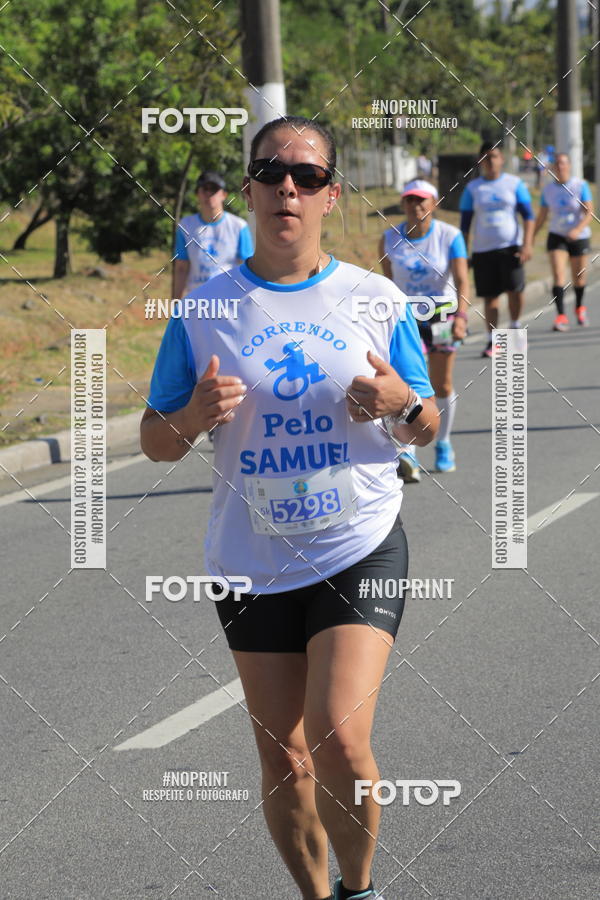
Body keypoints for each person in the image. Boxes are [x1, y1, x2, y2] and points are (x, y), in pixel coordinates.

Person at [141, 115, 439, 900]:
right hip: (251, 560)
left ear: (330, 195)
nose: (288, 188)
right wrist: (194, 415)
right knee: (285, 757)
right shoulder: (204, 310)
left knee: (340, 736)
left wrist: (403, 401)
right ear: (249, 191)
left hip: (358, 543)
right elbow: (154, 442)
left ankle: (362, 888)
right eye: (272, 173)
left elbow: (430, 420)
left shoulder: (372, 297)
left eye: (307, 177)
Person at [379, 179, 469, 480]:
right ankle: (410, 450)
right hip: (406, 318)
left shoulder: (449, 236)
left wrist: (462, 317)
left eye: (422, 200)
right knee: (407, 384)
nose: (415, 206)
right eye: (409, 200)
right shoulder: (389, 238)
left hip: (441, 315)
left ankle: (443, 443)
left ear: (434, 203)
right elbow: (388, 284)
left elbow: (462, 280)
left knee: (440, 384)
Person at [459, 141, 535, 357]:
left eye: (494, 156)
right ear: (480, 161)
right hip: (483, 250)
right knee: (490, 297)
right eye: (486, 157)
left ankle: (515, 325)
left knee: (515, 291)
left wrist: (527, 244)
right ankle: (492, 339)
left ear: (502, 159)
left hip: (511, 247)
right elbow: (464, 225)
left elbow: (528, 217)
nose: (490, 161)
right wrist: (463, 254)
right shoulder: (473, 189)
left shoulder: (514, 183)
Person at [533, 152, 593, 330]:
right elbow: (542, 216)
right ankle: (560, 315)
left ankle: (579, 307)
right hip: (557, 235)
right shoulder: (548, 190)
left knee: (579, 277)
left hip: (578, 237)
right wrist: (530, 237)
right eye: (557, 164)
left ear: (569, 166)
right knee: (559, 275)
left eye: (564, 163)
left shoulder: (580, 185)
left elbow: (589, 212)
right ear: (553, 168)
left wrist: (578, 229)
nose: (560, 167)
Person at [172, 170, 254, 299]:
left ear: (223, 195)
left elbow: (247, 268)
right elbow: (181, 267)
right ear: (197, 194)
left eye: (214, 189)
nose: (209, 194)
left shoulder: (239, 226)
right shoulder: (185, 226)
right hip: (197, 300)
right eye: (205, 189)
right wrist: (176, 304)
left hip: (228, 299)